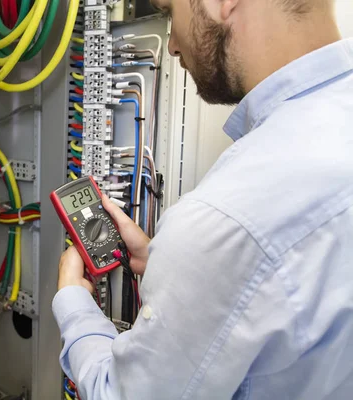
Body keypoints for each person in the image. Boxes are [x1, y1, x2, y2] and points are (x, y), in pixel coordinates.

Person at [53, 0, 353, 398]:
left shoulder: (224, 219)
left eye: (169, 10)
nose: (173, 43)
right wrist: (166, 261)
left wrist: (72, 302)